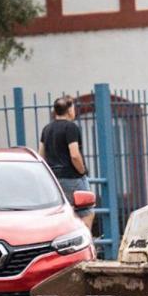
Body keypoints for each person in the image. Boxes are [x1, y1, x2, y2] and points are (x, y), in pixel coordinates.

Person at [39, 95, 94, 229]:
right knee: (86, 213)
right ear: (69, 110)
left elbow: (41, 155)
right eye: (73, 108)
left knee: (61, 215)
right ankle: (83, 239)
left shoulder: (46, 129)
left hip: (53, 179)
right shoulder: (71, 127)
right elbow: (74, 154)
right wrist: (82, 171)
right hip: (72, 177)